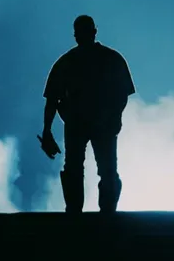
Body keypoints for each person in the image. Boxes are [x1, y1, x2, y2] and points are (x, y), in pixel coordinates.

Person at [38, 15, 135, 213]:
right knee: (77, 169)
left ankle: (105, 214)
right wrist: (47, 131)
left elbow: (122, 93)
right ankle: (78, 213)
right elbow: (52, 99)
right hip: (78, 124)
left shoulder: (109, 59)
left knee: (106, 170)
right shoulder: (68, 62)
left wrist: (115, 117)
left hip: (101, 122)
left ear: (93, 32)